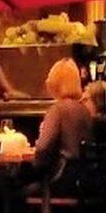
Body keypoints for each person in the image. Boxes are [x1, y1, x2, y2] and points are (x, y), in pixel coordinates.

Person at [33, 59, 93, 196]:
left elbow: (43, 147)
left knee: (14, 192)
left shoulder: (58, 110)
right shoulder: (84, 110)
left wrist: (34, 161)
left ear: (55, 83)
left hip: (61, 179)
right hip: (82, 181)